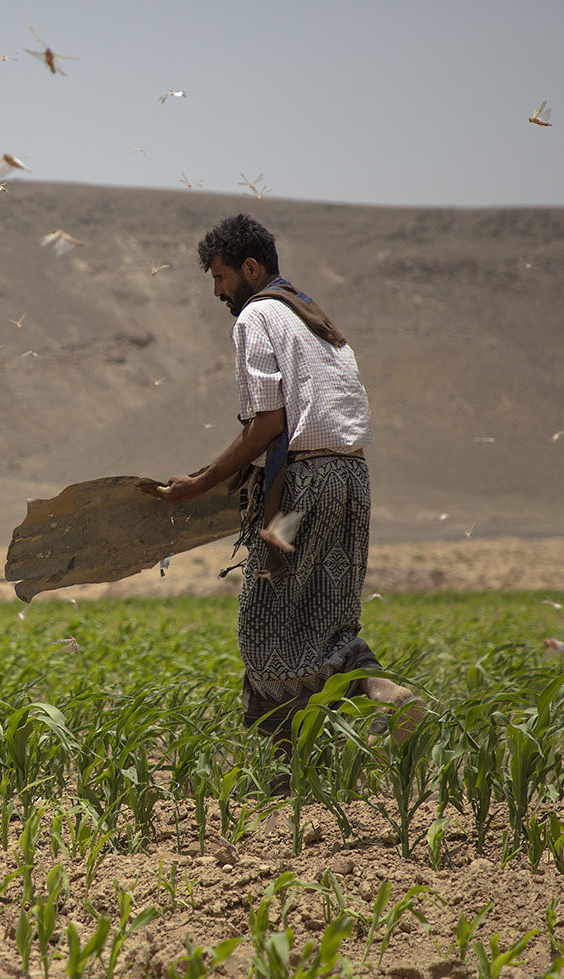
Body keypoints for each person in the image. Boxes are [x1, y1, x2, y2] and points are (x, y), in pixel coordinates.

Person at [147, 214, 421, 766]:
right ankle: (380, 693)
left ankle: (285, 777)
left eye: (221, 277)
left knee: (266, 618)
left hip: (300, 495)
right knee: (328, 617)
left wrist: (200, 484)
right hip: (350, 482)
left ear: (251, 268)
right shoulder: (311, 316)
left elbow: (268, 424)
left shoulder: (257, 317)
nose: (218, 291)